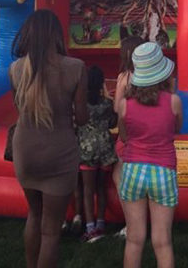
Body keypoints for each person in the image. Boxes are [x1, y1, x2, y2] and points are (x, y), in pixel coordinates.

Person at [9, 10, 88, 268]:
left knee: (34, 214)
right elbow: (83, 117)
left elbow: (18, 107)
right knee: (52, 229)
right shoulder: (75, 67)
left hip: (26, 150)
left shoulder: (16, 69)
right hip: (60, 151)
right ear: (56, 34)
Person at [118, 42, 182, 268]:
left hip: (133, 169)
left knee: (134, 239)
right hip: (163, 170)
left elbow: (124, 136)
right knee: (162, 241)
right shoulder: (173, 101)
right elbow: (177, 129)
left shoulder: (125, 104)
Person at [76, 65, 117, 243]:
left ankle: (90, 228)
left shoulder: (80, 103)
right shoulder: (107, 104)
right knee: (101, 188)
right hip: (106, 149)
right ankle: (101, 224)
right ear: (102, 82)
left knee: (87, 190)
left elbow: (75, 123)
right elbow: (112, 123)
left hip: (86, 150)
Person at [112, 36, 145, 239]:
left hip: (129, 133)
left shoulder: (125, 77)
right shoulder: (152, 77)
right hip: (147, 132)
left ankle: (132, 225)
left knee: (120, 176)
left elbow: (118, 107)